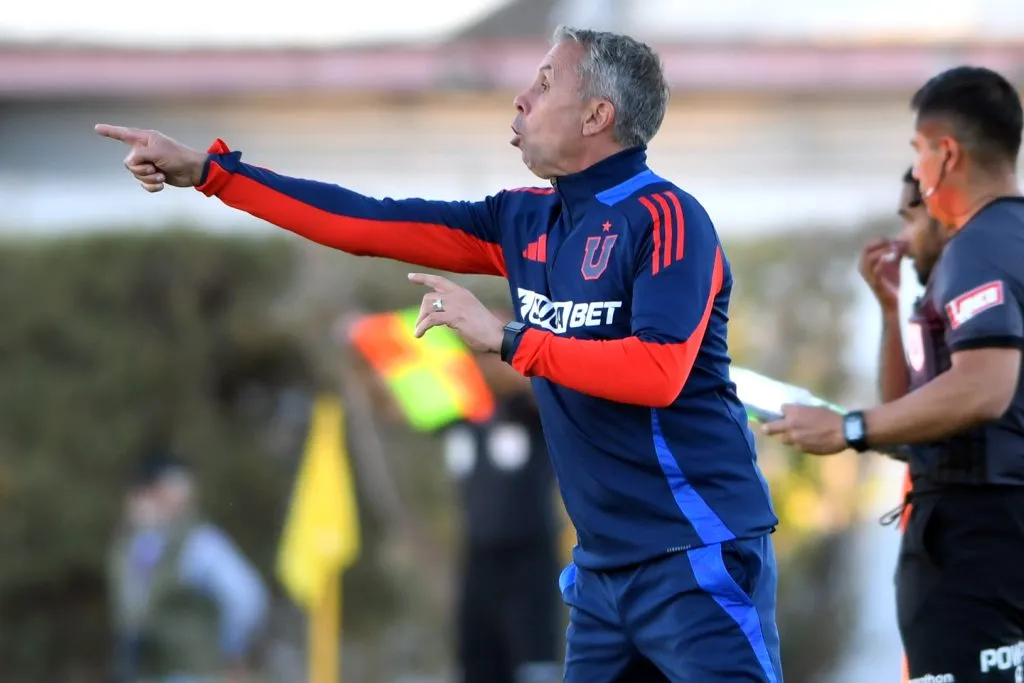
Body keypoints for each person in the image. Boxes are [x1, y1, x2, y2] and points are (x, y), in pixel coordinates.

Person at [96, 26, 783, 682]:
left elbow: (658, 372)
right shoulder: (524, 219)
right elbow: (365, 222)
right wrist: (213, 174)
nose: (522, 98)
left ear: (596, 115)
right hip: (604, 574)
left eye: (545, 82)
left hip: (696, 554)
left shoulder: (668, 217)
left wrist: (507, 338)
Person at [766, 65, 1024, 682]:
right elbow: (918, 418)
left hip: (979, 534)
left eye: (917, 153)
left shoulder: (979, 245)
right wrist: (890, 314)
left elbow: (985, 389)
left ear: (945, 153)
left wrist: (849, 426)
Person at [859, 168, 948, 683]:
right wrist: (891, 310)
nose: (899, 240)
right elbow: (901, 412)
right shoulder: (932, 299)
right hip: (931, 550)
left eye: (910, 218)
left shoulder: (989, 291)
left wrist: (850, 429)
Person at [444, 354, 562, 683]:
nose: (486, 363)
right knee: (477, 661)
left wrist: (511, 362)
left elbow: (550, 393)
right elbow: (394, 403)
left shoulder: (528, 407)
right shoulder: (459, 410)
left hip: (530, 555)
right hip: (478, 556)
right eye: (479, 354)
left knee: (532, 661)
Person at [109, 449, 269, 683]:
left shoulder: (199, 542)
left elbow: (246, 598)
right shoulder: (132, 543)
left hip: (190, 673)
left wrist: (229, 650)